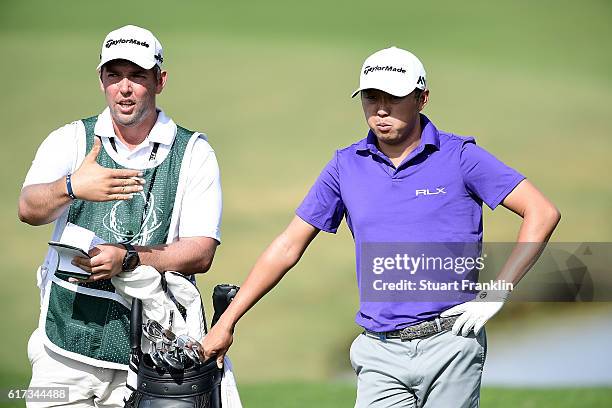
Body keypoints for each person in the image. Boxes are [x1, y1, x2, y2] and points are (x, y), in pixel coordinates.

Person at [201, 46, 560, 407]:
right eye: (371, 98)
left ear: (422, 98)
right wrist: (227, 322)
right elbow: (288, 246)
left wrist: (498, 291)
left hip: (451, 343)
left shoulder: (460, 157)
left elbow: (541, 212)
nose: (381, 109)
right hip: (379, 351)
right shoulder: (345, 165)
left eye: (394, 98)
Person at [18, 25, 222, 407]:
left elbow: (201, 250)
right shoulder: (71, 139)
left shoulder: (193, 152)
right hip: (62, 344)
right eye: (114, 75)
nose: (124, 88)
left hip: (152, 350)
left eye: (137, 76)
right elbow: (28, 209)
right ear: (101, 80)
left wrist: (128, 259)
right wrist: (72, 186)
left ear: (160, 80)